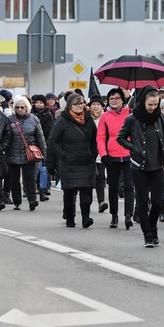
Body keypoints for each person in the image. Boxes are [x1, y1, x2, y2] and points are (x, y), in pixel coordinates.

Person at [117, 85, 164, 247]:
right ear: (143, 102)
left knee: (158, 202)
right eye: (150, 104)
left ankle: (153, 228)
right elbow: (121, 138)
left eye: (155, 104)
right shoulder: (132, 119)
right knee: (143, 203)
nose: (153, 107)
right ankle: (147, 235)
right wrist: (134, 148)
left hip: (157, 165)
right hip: (139, 166)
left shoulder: (160, 118)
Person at [47, 93, 98, 228]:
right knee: (70, 192)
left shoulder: (88, 119)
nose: (79, 106)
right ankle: (70, 218)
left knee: (86, 191)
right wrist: (64, 155)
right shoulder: (62, 121)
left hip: (86, 161)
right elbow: (52, 142)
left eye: (81, 103)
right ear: (69, 106)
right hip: (69, 162)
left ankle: (86, 218)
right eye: (76, 104)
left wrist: (93, 153)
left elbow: (95, 138)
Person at [97, 87, 135, 229]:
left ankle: (128, 215)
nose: (114, 101)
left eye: (117, 98)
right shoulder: (105, 116)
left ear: (122, 99)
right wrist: (103, 154)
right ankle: (114, 215)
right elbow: (100, 137)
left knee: (129, 186)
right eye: (111, 98)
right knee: (113, 186)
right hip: (111, 155)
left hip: (128, 154)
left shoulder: (130, 114)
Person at [6, 97, 46, 210]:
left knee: (30, 178)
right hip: (12, 153)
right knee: (14, 179)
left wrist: (44, 154)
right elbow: (6, 137)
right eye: (17, 107)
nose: (19, 109)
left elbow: (40, 138)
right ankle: (17, 202)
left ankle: (32, 200)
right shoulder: (9, 120)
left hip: (29, 154)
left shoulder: (34, 119)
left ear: (27, 108)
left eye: (22, 107)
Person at [31, 94, 55, 201]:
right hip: (32, 144)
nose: (38, 104)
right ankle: (31, 189)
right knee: (33, 168)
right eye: (37, 102)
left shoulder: (48, 114)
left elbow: (50, 129)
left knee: (43, 168)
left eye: (40, 102)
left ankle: (43, 189)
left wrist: (44, 141)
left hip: (44, 143)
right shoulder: (31, 114)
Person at [89, 94, 108, 213]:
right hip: (88, 151)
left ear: (102, 106)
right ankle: (87, 202)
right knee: (89, 177)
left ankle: (101, 201)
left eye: (98, 104)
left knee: (100, 177)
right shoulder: (86, 117)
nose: (95, 107)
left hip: (101, 150)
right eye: (93, 104)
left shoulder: (105, 117)